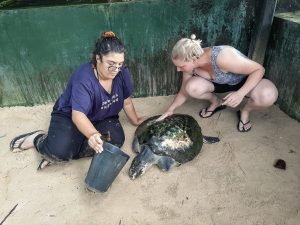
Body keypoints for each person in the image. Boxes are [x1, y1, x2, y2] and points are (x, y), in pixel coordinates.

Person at [10, 31, 146, 169]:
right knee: (58, 152)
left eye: (120, 64)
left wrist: (135, 120)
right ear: (98, 58)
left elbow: (126, 100)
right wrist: (92, 134)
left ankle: (67, 147)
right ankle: (38, 139)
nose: (116, 69)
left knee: (114, 141)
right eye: (111, 63)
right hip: (71, 115)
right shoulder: (84, 78)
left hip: (102, 116)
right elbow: (78, 115)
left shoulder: (122, 72)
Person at [157, 34, 278, 132]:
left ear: (193, 59)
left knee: (268, 95)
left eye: (181, 66)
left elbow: (259, 69)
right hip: (219, 84)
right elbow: (184, 91)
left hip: (244, 81)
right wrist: (171, 110)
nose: (178, 69)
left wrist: (240, 94)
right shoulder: (191, 66)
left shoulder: (222, 56)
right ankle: (216, 102)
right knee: (190, 87)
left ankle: (245, 111)